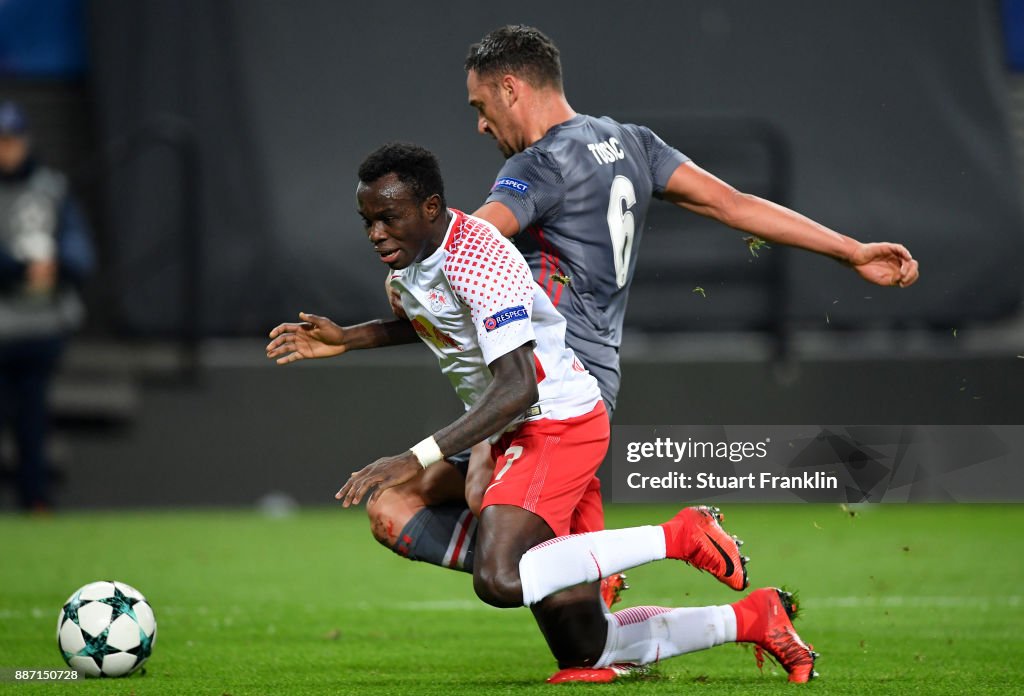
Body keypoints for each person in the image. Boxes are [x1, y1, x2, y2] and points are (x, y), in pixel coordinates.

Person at [276, 24, 920, 602]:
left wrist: (403, 285)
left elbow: (473, 244)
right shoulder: (631, 143)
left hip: (549, 388)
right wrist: (849, 249)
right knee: (584, 636)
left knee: (484, 513)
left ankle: (627, 556)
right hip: (601, 380)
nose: (479, 124)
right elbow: (734, 204)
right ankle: (729, 617)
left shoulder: (538, 166)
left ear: (509, 89)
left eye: (479, 107)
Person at [268, 142, 816, 682]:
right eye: (368, 221)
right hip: (515, 433)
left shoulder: (478, 256)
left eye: (388, 218)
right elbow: (438, 321)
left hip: (554, 424)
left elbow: (519, 387)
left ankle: (678, 535)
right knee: (584, 649)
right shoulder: (411, 263)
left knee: (501, 578)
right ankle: (746, 617)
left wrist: (416, 455)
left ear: (429, 208)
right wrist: (348, 339)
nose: (375, 233)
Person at [0, 100, 94, 512]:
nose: (6, 149)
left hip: (40, 325)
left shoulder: (51, 187)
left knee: (33, 419)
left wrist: (57, 265)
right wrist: (19, 269)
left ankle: (35, 499)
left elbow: (80, 250)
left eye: (11, 140)